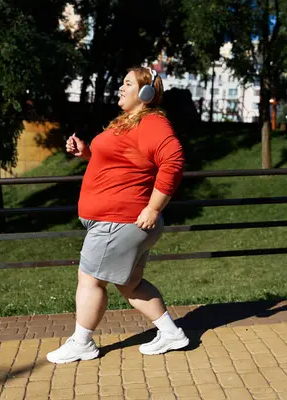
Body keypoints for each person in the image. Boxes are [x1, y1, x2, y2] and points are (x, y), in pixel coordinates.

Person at [46, 66, 189, 364]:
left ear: (146, 93)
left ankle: (82, 342)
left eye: (127, 84)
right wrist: (86, 152)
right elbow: (122, 161)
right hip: (119, 221)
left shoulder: (151, 122)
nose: (120, 88)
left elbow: (173, 160)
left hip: (120, 221)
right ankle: (172, 333)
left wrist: (153, 207)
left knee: (90, 280)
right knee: (131, 284)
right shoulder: (129, 123)